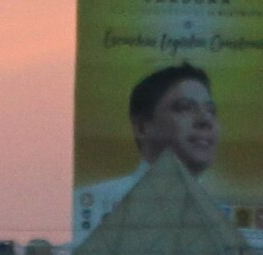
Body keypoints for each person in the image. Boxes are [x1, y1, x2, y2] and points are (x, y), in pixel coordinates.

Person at [72, 60, 228, 237]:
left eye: (211, 110)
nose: (205, 120)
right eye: (185, 108)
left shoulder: (230, 216)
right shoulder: (90, 205)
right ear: (142, 128)